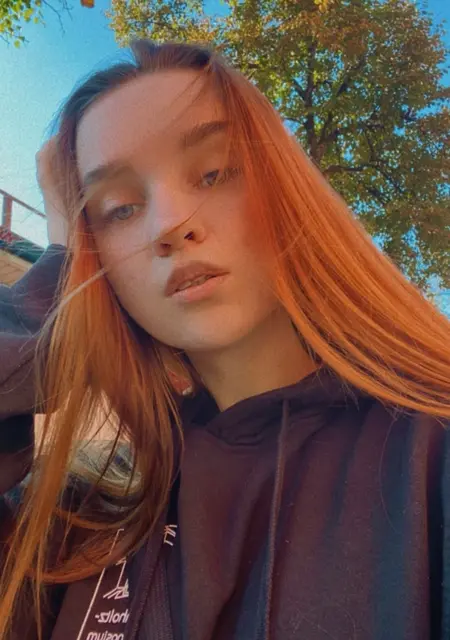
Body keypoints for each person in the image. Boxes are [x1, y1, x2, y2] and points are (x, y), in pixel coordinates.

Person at [0, 38, 449, 640]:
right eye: (119, 208)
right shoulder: (78, 520)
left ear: (289, 191)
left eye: (214, 174)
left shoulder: (429, 455)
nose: (170, 224)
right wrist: (59, 273)